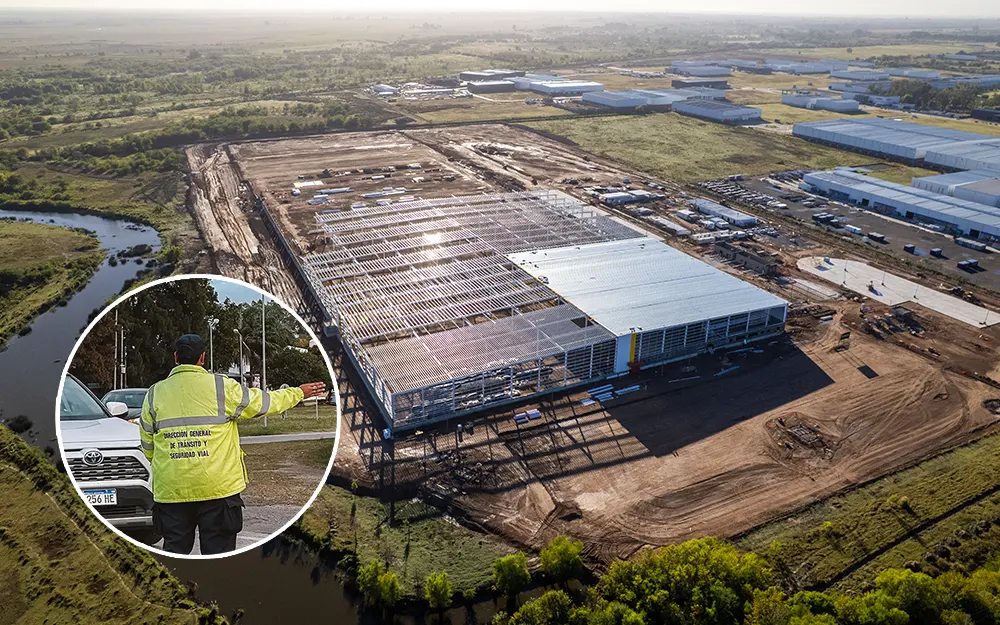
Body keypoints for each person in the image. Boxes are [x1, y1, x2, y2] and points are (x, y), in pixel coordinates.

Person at [140, 333, 327, 555]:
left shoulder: (154, 394)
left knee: (174, 557)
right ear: (203, 358)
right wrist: (298, 393)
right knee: (219, 556)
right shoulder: (222, 387)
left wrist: (171, 464)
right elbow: (265, 403)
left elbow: (147, 444)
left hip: (171, 492)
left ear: (176, 357)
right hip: (218, 490)